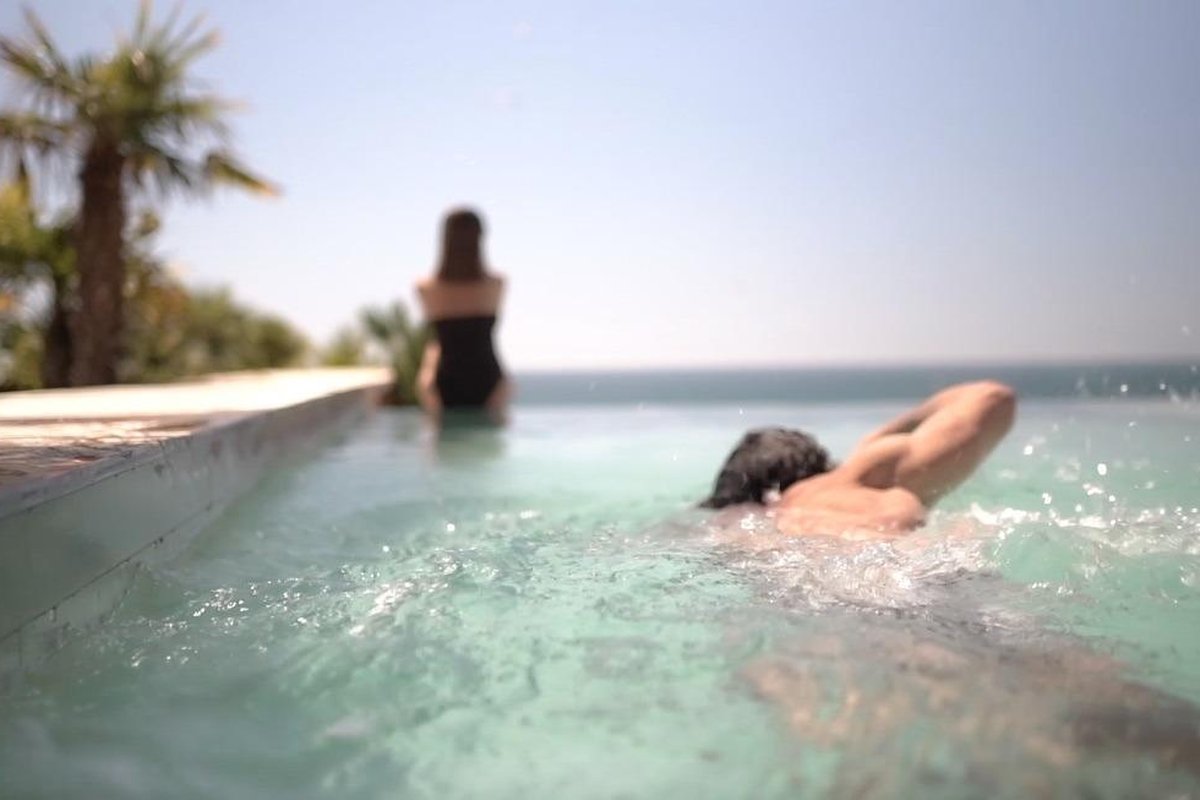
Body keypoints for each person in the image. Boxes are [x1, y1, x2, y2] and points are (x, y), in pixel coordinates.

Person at [701, 381, 1016, 536]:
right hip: (907, 587)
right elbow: (992, 397)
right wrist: (877, 439)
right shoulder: (867, 475)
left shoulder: (737, 525)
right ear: (823, 466)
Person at [415, 208, 512, 422]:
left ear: (445, 239)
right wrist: (505, 383)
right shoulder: (497, 284)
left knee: (448, 442)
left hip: (443, 382)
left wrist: (427, 379)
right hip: (490, 381)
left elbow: (437, 341)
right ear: (480, 238)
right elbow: (485, 339)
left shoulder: (425, 288)